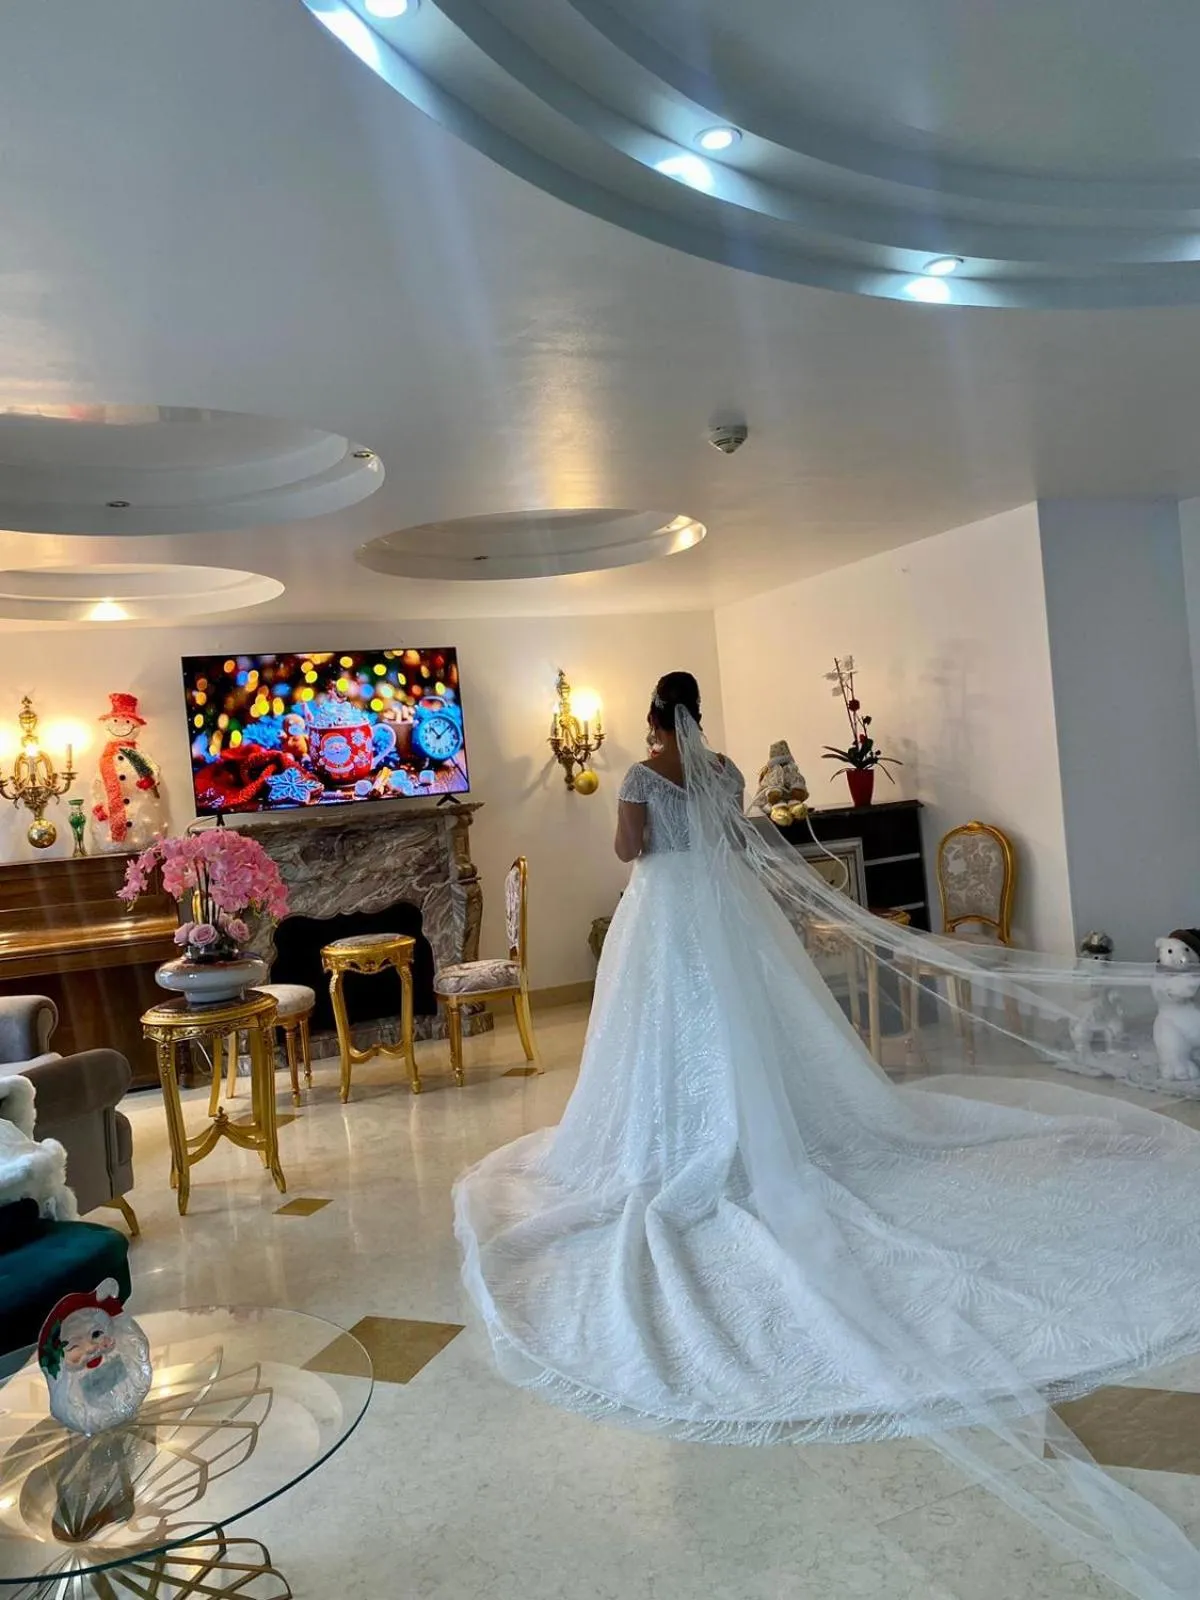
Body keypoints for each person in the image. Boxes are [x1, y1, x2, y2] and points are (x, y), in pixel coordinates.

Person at [455, 672, 1200, 1597]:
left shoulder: (643, 777)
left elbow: (630, 852)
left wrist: (639, 820)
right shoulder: (724, 767)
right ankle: (776, 1121)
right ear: (695, 713)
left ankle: (684, 1138)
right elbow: (737, 836)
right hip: (729, 910)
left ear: (651, 716)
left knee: (667, 1032)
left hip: (670, 916)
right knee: (755, 1027)